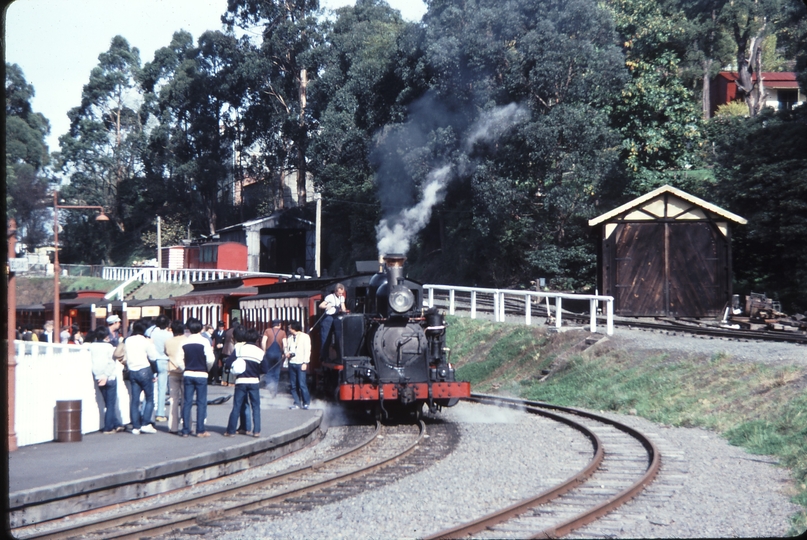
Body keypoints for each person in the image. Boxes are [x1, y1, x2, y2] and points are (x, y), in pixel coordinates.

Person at [223, 327, 268, 437]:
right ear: (257, 339)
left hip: (241, 381)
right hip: (254, 382)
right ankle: (256, 431)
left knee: (237, 406)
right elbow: (265, 369)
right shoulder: (260, 352)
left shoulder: (240, 349)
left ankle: (230, 431)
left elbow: (228, 363)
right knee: (256, 407)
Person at [180, 317, 215, 438]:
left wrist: (184, 368)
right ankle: (200, 430)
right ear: (201, 328)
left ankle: (185, 430)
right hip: (201, 374)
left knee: (187, 402)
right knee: (201, 402)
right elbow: (210, 359)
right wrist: (206, 368)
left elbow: (179, 359)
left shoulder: (184, 342)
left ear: (189, 329)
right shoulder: (204, 341)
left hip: (188, 373)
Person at [124, 320, 159, 434]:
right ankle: (145, 423)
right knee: (149, 398)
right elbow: (153, 357)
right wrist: (155, 372)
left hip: (132, 371)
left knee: (135, 400)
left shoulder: (128, 340)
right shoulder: (145, 341)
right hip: (144, 370)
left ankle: (136, 426)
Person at [87, 327, 125, 434]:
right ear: (106, 335)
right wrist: (106, 375)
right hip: (109, 376)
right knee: (110, 404)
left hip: (98, 376)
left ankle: (117, 424)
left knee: (107, 403)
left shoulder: (91, 346)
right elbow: (111, 363)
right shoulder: (109, 347)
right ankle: (108, 427)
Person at [163, 320, 187, 434]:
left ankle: (173, 426)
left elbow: (166, 353)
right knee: (186, 399)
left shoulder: (168, 342)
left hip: (172, 371)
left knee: (173, 399)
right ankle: (187, 424)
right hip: (185, 371)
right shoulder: (186, 340)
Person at [150, 315, 172, 422]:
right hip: (164, 360)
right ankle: (160, 413)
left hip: (153, 360)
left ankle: (148, 412)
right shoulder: (169, 335)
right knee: (162, 388)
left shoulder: (152, 333)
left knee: (150, 388)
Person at [286, 320, 311, 410]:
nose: (288, 329)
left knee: (302, 384)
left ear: (294, 328)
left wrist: (305, 362)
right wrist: (287, 353)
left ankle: (306, 402)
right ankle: (297, 402)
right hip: (292, 362)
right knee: (293, 385)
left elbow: (307, 350)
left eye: (289, 327)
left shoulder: (305, 337)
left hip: (300, 363)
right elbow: (287, 348)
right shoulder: (289, 338)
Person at [319, 283, 347, 359]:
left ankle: (339, 356)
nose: (341, 294)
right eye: (339, 293)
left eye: (342, 293)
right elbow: (321, 305)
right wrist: (327, 306)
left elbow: (343, 307)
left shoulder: (342, 298)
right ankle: (324, 356)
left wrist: (344, 312)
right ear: (335, 291)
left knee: (339, 336)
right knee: (326, 338)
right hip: (328, 318)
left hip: (336, 317)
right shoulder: (329, 297)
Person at [261, 319, 286, 398]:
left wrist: (264, 351)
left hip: (269, 353)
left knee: (269, 371)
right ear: (279, 324)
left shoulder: (267, 331)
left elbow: (263, 342)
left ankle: (269, 387)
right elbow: (285, 344)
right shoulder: (282, 332)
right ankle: (274, 390)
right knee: (276, 372)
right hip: (278, 354)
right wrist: (284, 353)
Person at [221, 318, 239, 386]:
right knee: (232, 365)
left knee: (225, 365)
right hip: (232, 349)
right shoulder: (235, 331)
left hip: (225, 349)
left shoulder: (228, 331)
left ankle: (224, 380)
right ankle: (231, 381)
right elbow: (235, 341)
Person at [210, 321, 226, 385]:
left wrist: (222, 345)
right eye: (219, 326)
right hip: (216, 350)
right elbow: (212, 339)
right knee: (215, 363)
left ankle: (223, 377)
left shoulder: (225, 333)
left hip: (223, 350)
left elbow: (226, 342)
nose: (220, 328)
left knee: (223, 363)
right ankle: (215, 377)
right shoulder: (215, 332)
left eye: (222, 326)